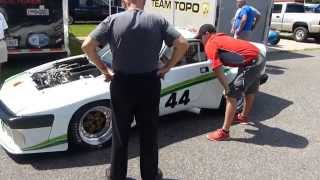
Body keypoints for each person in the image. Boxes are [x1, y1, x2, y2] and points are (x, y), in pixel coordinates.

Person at [81, 0, 189, 179]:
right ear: (144, 1)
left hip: (121, 83)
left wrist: (104, 69)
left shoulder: (112, 20)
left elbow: (87, 46)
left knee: (120, 132)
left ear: (125, 1)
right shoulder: (158, 20)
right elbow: (183, 44)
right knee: (149, 131)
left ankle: (117, 175)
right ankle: (150, 174)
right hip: (149, 82)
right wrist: (167, 67)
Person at [195, 24, 265, 141]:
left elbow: (217, 68)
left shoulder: (211, 43)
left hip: (251, 63)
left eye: (200, 37)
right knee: (250, 90)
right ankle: (243, 117)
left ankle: (224, 132)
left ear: (206, 34)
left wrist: (226, 87)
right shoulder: (220, 37)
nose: (200, 40)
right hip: (259, 57)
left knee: (231, 96)